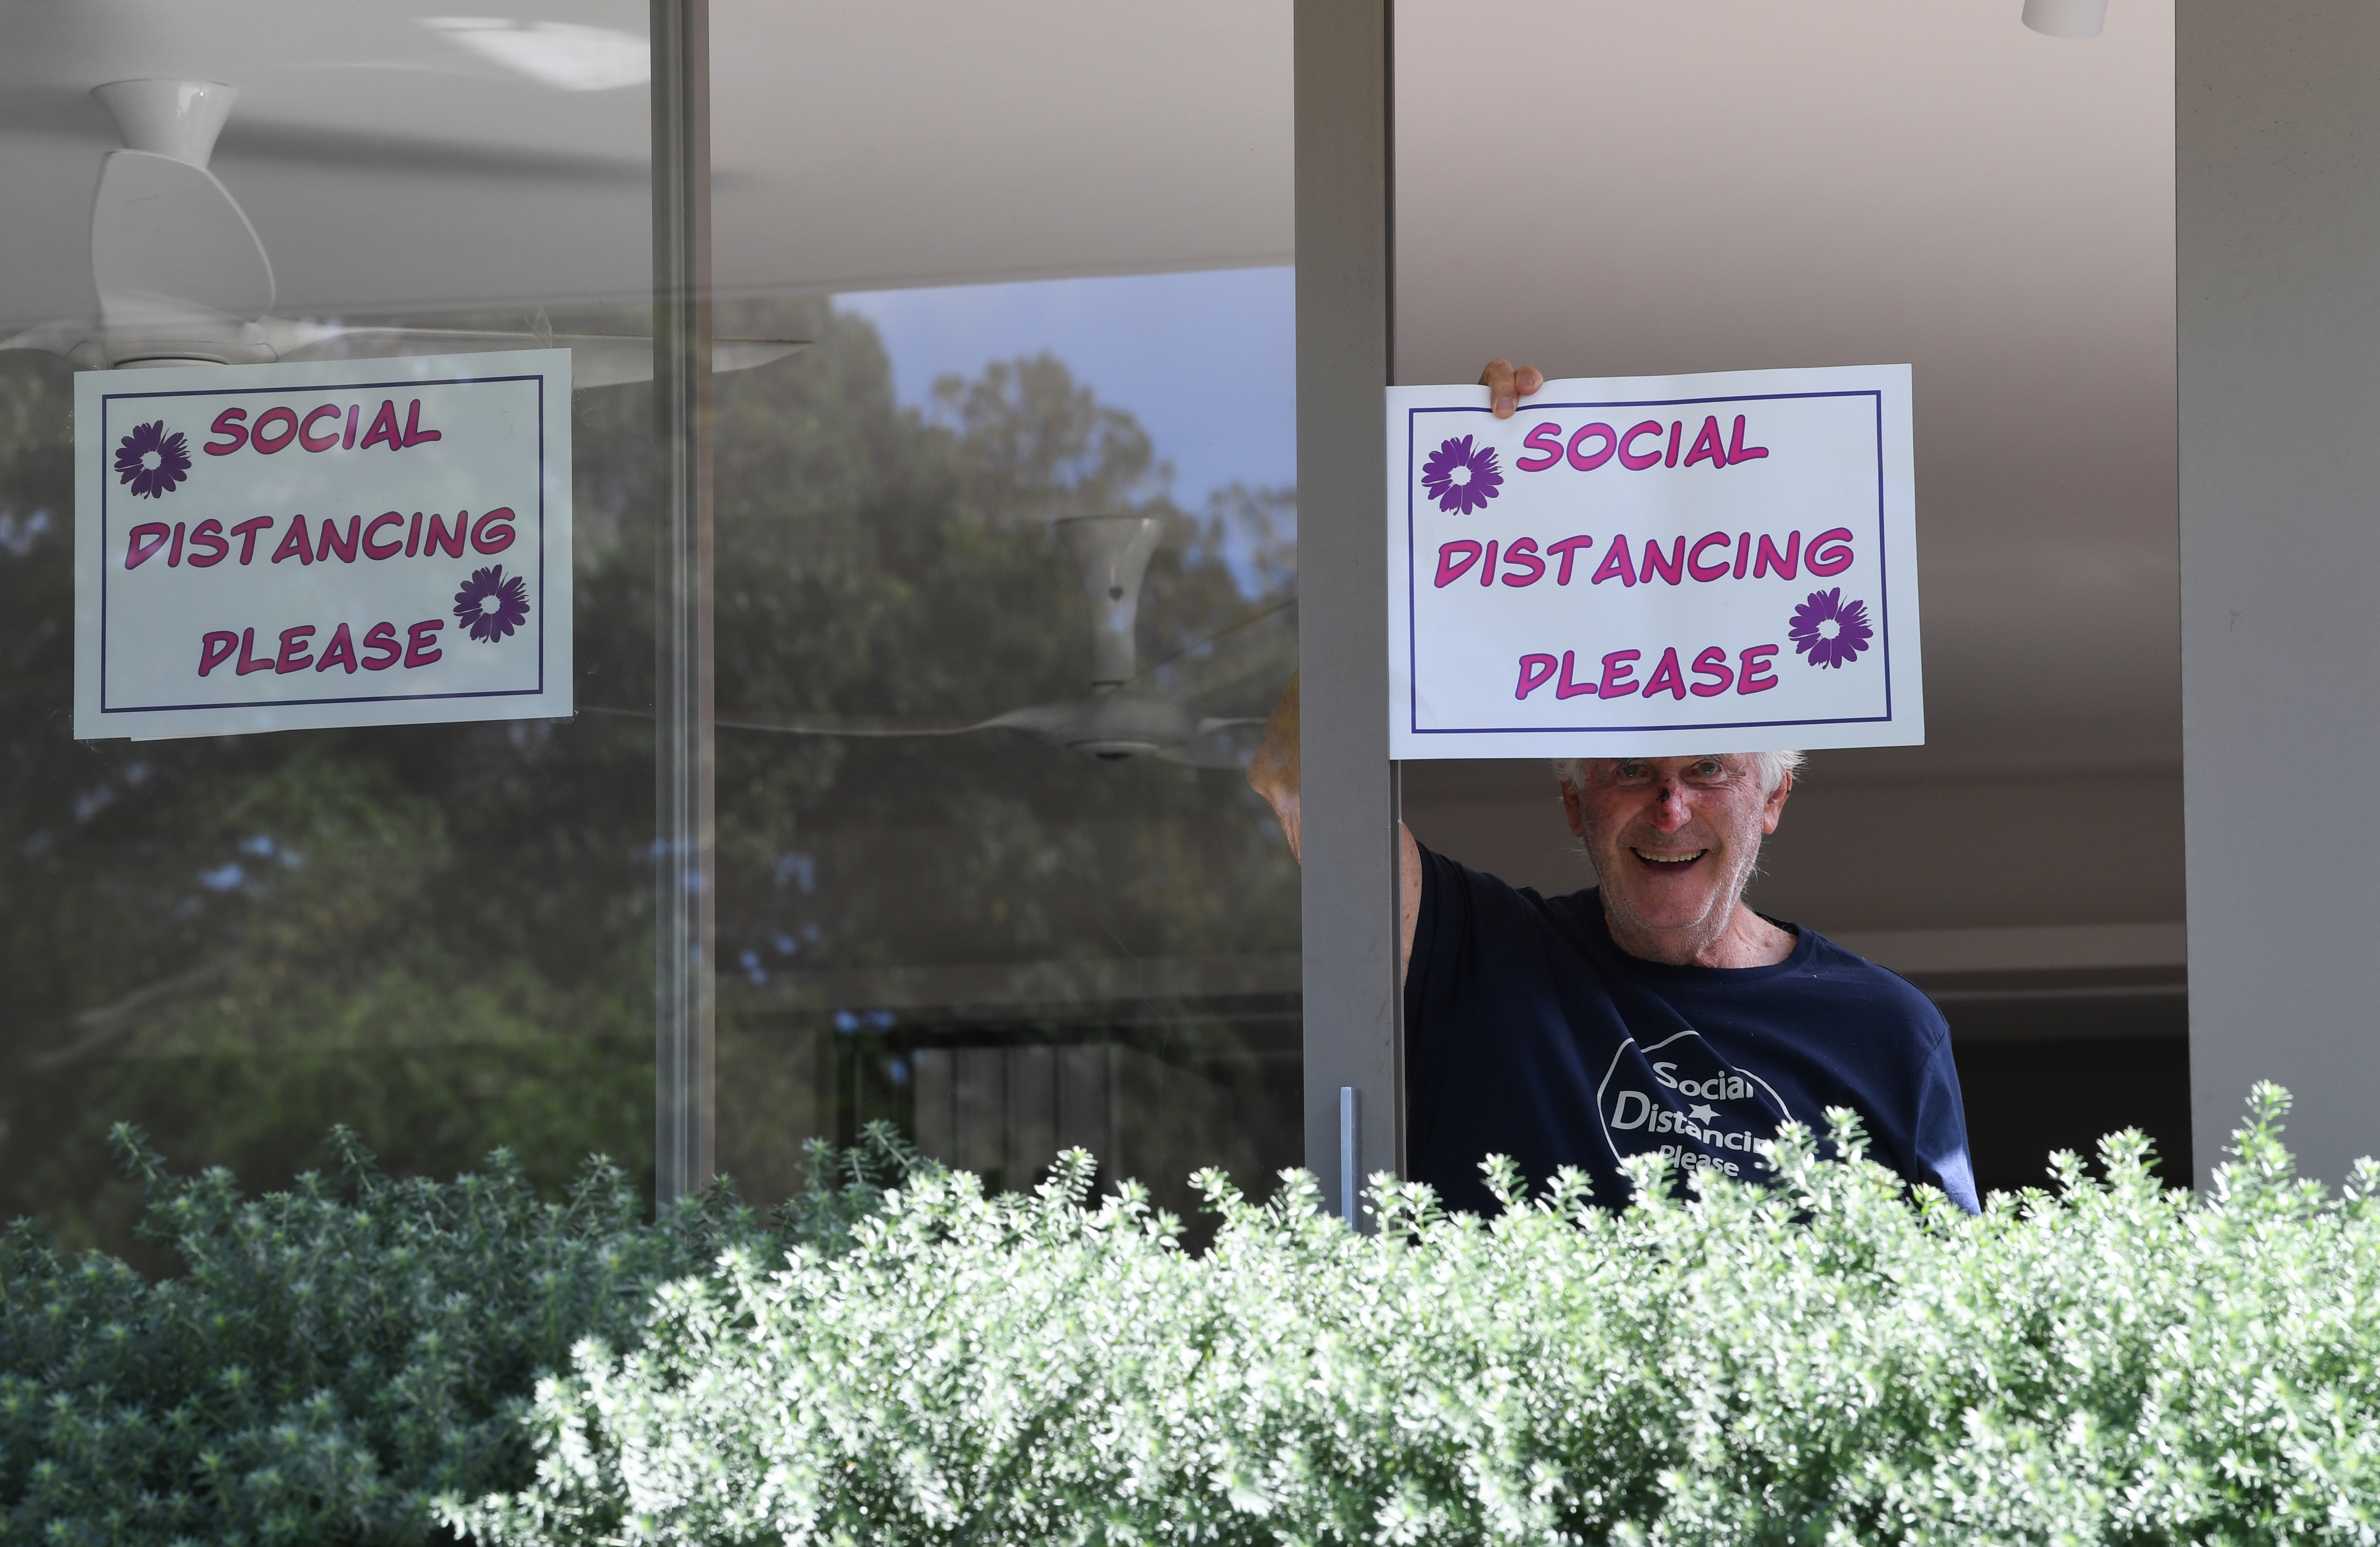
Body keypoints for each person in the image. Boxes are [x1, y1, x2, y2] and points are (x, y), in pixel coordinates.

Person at [1245, 358, 1979, 1216]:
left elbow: (1946, 1321)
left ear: (1772, 800)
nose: (1670, 807)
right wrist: (1422, 514)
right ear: (1572, 801)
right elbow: (1298, 773)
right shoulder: (1479, 954)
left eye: (1709, 769)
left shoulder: (1887, 1029)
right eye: (1629, 769)